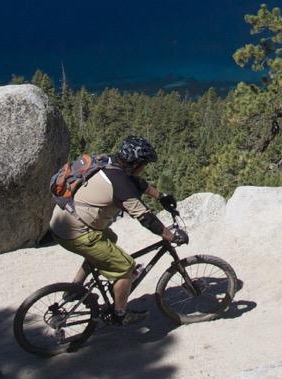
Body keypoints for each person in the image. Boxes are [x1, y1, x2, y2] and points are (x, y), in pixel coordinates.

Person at [50, 134, 185, 326]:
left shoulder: (109, 162)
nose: (145, 167)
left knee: (110, 238)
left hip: (62, 220)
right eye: (144, 163)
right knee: (126, 268)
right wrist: (170, 236)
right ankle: (120, 314)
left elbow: (137, 182)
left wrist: (160, 196)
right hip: (76, 233)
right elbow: (145, 218)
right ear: (136, 163)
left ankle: (75, 288)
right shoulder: (120, 185)